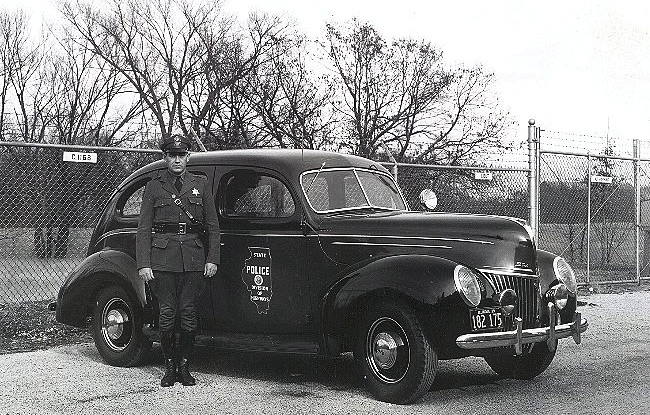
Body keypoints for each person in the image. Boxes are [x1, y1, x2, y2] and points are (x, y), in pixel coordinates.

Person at [136, 133, 220, 387]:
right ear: (165, 157)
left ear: (188, 157)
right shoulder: (154, 186)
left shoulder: (200, 184)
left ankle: (184, 365)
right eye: (172, 155)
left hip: (194, 257)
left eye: (181, 155)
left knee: (188, 313)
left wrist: (212, 258)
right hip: (162, 258)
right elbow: (144, 228)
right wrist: (143, 263)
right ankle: (169, 366)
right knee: (167, 313)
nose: (176, 160)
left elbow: (212, 226)